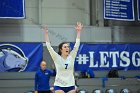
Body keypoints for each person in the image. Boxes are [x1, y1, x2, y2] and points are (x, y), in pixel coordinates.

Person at [43, 22, 83, 93]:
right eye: (65, 47)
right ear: (61, 49)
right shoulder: (57, 58)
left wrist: (79, 32)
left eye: (68, 47)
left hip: (71, 85)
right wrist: (46, 34)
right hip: (59, 85)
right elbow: (49, 47)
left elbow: (77, 45)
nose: (67, 48)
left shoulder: (71, 57)